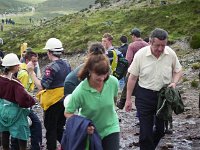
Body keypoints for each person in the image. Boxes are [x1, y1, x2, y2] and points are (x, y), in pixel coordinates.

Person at [125, 28, 183, 150]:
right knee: (145, 133)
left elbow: (178, 71)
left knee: (161, 131)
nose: (161, 49)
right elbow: (132, 77)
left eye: (163, 45)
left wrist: (174, 82)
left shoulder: (170, 53)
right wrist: (128, 99)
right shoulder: (141, 55)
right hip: (144, 96)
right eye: (157, 45)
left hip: (162, 97)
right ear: (151, 42)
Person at [64, 50, 120, 150]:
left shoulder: (113, 82)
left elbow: (113, 101)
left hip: (111, 127)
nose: (102, 78)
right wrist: (83, 126)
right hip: (91, 131)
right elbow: (68, 112)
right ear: (89, 71)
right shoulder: (80, 91)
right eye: (98, 75)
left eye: (105, 74)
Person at [27, 38, 71, 150]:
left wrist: (31, 72)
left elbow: (42, 86)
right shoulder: (67, 64)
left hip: (52, 103)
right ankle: (68, 146)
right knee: (59, 127)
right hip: (64, 100)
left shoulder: (50, 67)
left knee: (51, 130)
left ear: (50, 52)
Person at [0, 53, 35, 150]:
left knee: (5, 132)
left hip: (2, 111)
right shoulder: (15, 84)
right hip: (15, 113)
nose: (19, 66)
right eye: (17, 64)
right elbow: (23, 100)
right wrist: (32, 100)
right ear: (13, 66)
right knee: (21, 134)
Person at [10, 51, 42, 150]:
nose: (35, 63)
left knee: (19, 126)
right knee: (35, 124)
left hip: (23, 104)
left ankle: (15, 146)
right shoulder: (24, 73)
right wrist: (32, 100)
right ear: (27, 60)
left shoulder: (28, 71)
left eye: (36, 61)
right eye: (33, 61)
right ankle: (35, 146)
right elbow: (21, 92)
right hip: (22, 106)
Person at [117, 28, 149, 109]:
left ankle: (122, 103)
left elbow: (128, 59)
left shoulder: (132, 45)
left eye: (132, 35)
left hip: (134, 70)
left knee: (127, 85)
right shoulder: (147, 45)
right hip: (146, 70)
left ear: (134, 35)